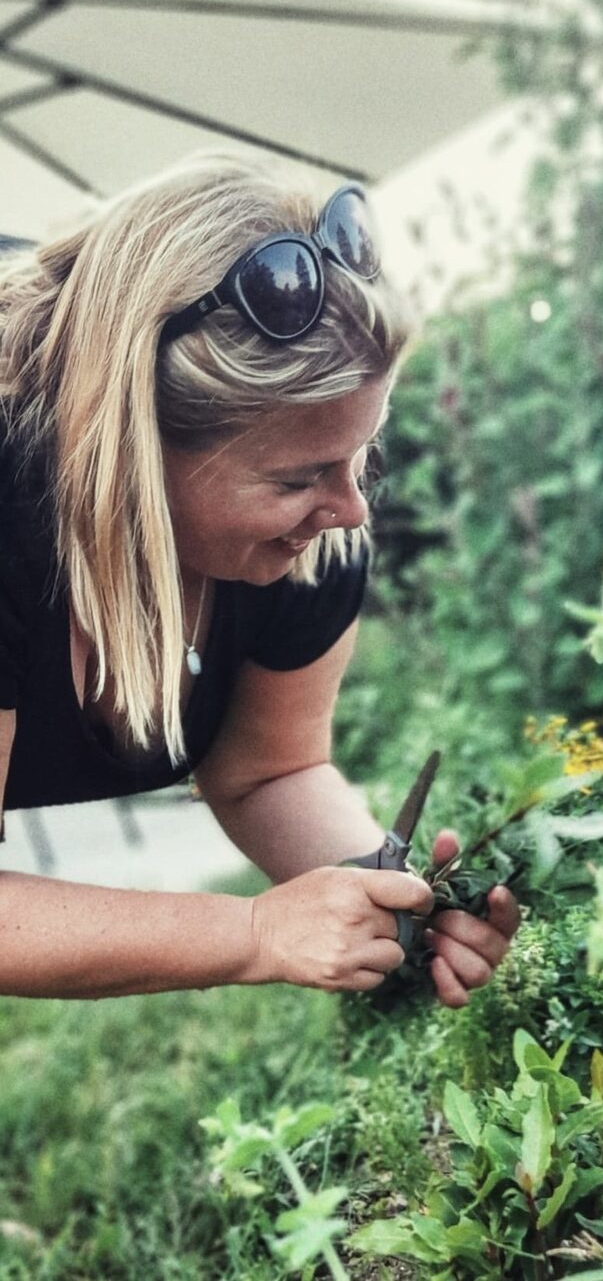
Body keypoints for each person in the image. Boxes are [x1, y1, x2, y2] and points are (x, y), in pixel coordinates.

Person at [0, 151, 519, 1006]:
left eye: (359, 457)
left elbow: (267, 773)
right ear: (135, 448)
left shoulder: (309, 549)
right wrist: (255, 932)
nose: (351, 509)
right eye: (297, 478)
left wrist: (395, 911)